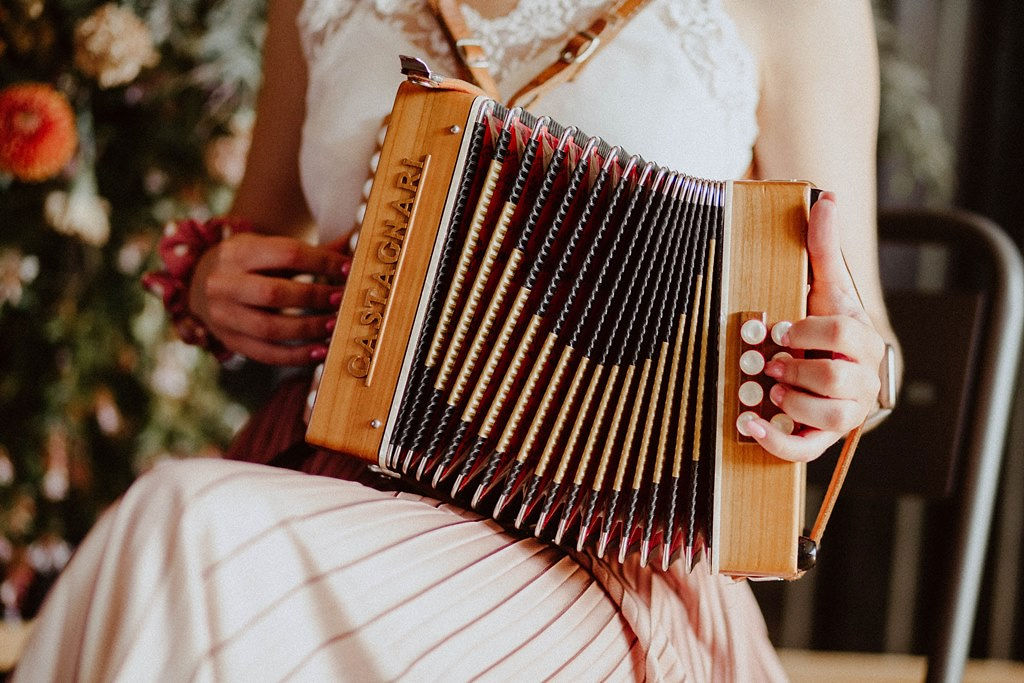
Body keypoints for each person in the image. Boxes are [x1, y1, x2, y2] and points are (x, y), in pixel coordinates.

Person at [16, 0, 896, 679]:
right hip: (330, 476)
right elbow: (260, 225)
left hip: (611, 562)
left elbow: (870, 342)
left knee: (187, 531)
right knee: (191, 540)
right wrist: (216, 285)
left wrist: (846, 375)